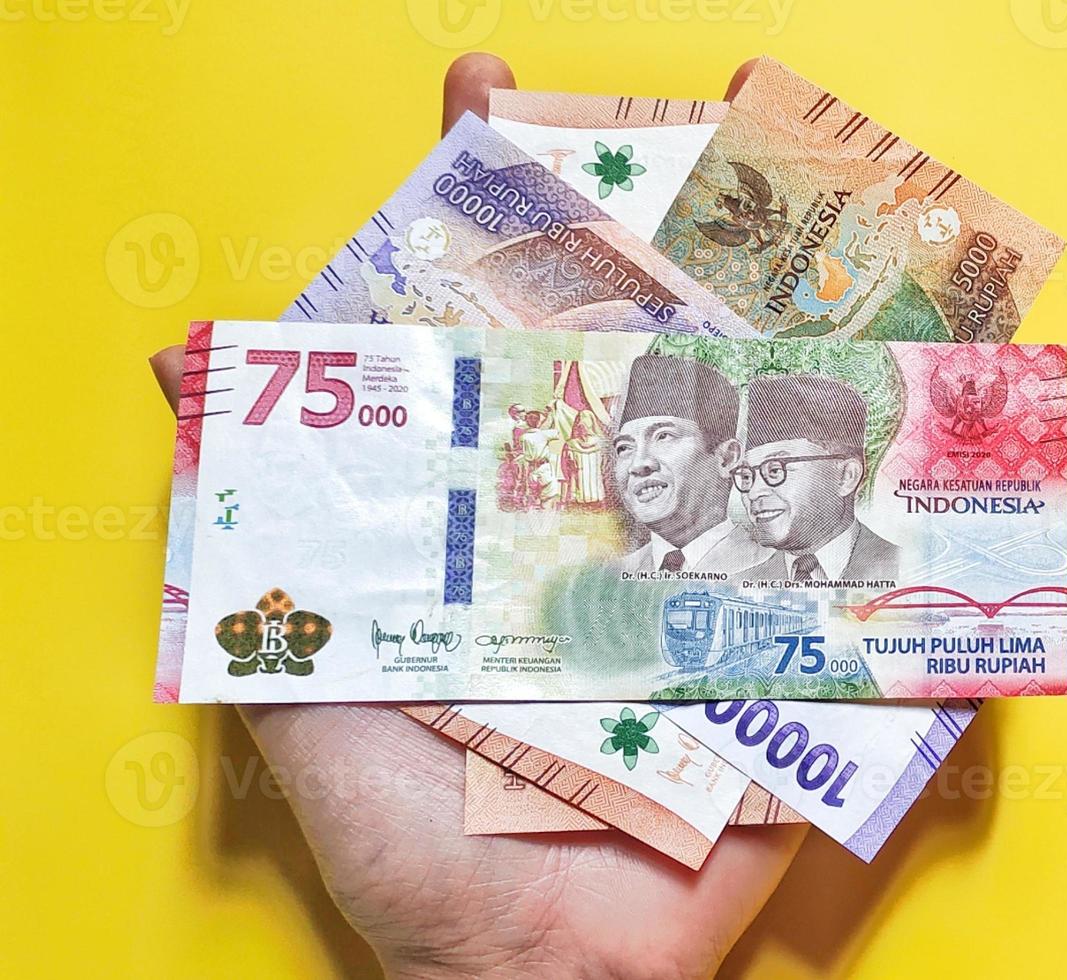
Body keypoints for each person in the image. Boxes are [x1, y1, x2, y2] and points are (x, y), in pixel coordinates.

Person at [147, 53, 805, 980]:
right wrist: (498, 955)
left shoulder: (780, 575)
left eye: (664, 437)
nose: (638, 464)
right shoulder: (599, 575)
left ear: (731, 456)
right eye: (623, 442)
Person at [611, 354, 770, 574]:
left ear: (726, 458)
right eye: (624, 448)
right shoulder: (609, 576)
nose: (638, 464)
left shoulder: (773, 567)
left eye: (663, 436)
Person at [734, 374, 900, 582]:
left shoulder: (907, 569)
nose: (753, 492)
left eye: (775, 470)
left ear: (846, 476)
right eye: (747, 475)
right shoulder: (739, 583)